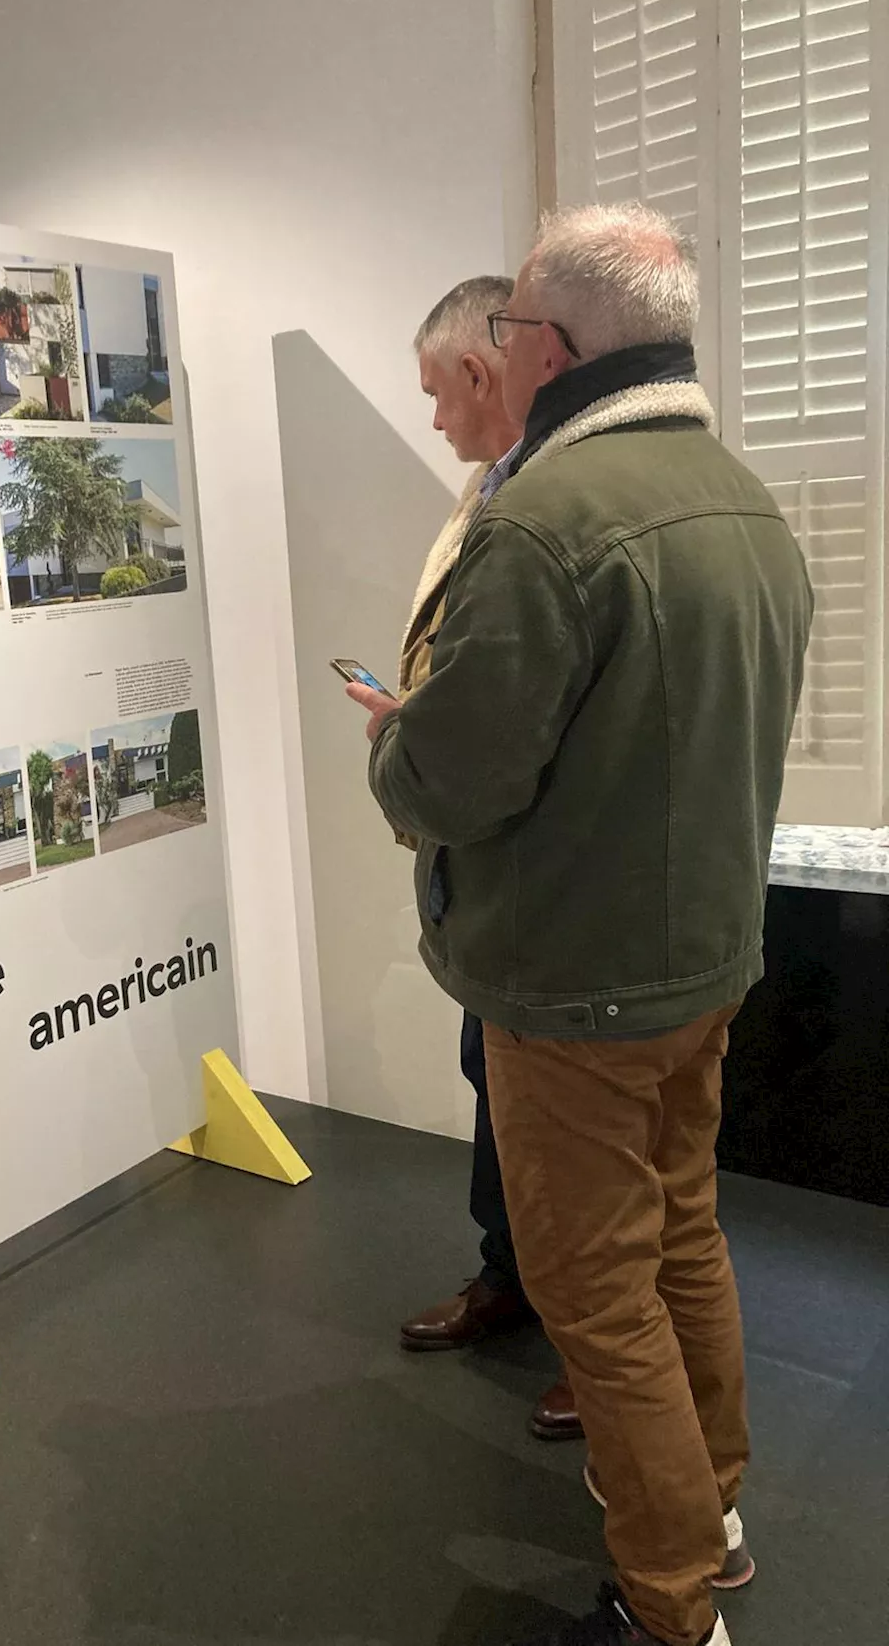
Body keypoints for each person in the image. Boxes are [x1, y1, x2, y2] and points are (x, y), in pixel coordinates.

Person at [348, 202, 812, 1646]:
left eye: (501, 340)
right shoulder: (747, 504)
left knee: (600, 1297)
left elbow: (446, 777)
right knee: (683, 1238)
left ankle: (672, 1604)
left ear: (545, 347)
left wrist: (393, 741)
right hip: (703, 968)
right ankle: (715, 1514)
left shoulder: (545, 523)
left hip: (574, 989)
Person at [399, 275, 582, 1444]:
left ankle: (592, 1332)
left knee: (577, 1132)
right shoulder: (494, 493)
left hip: (555, 881)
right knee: (493, 1082)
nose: (432, 418)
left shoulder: (555, 506)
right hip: (496, 870)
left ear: (484, 371)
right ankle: (513, 1278)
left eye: (436, 391)